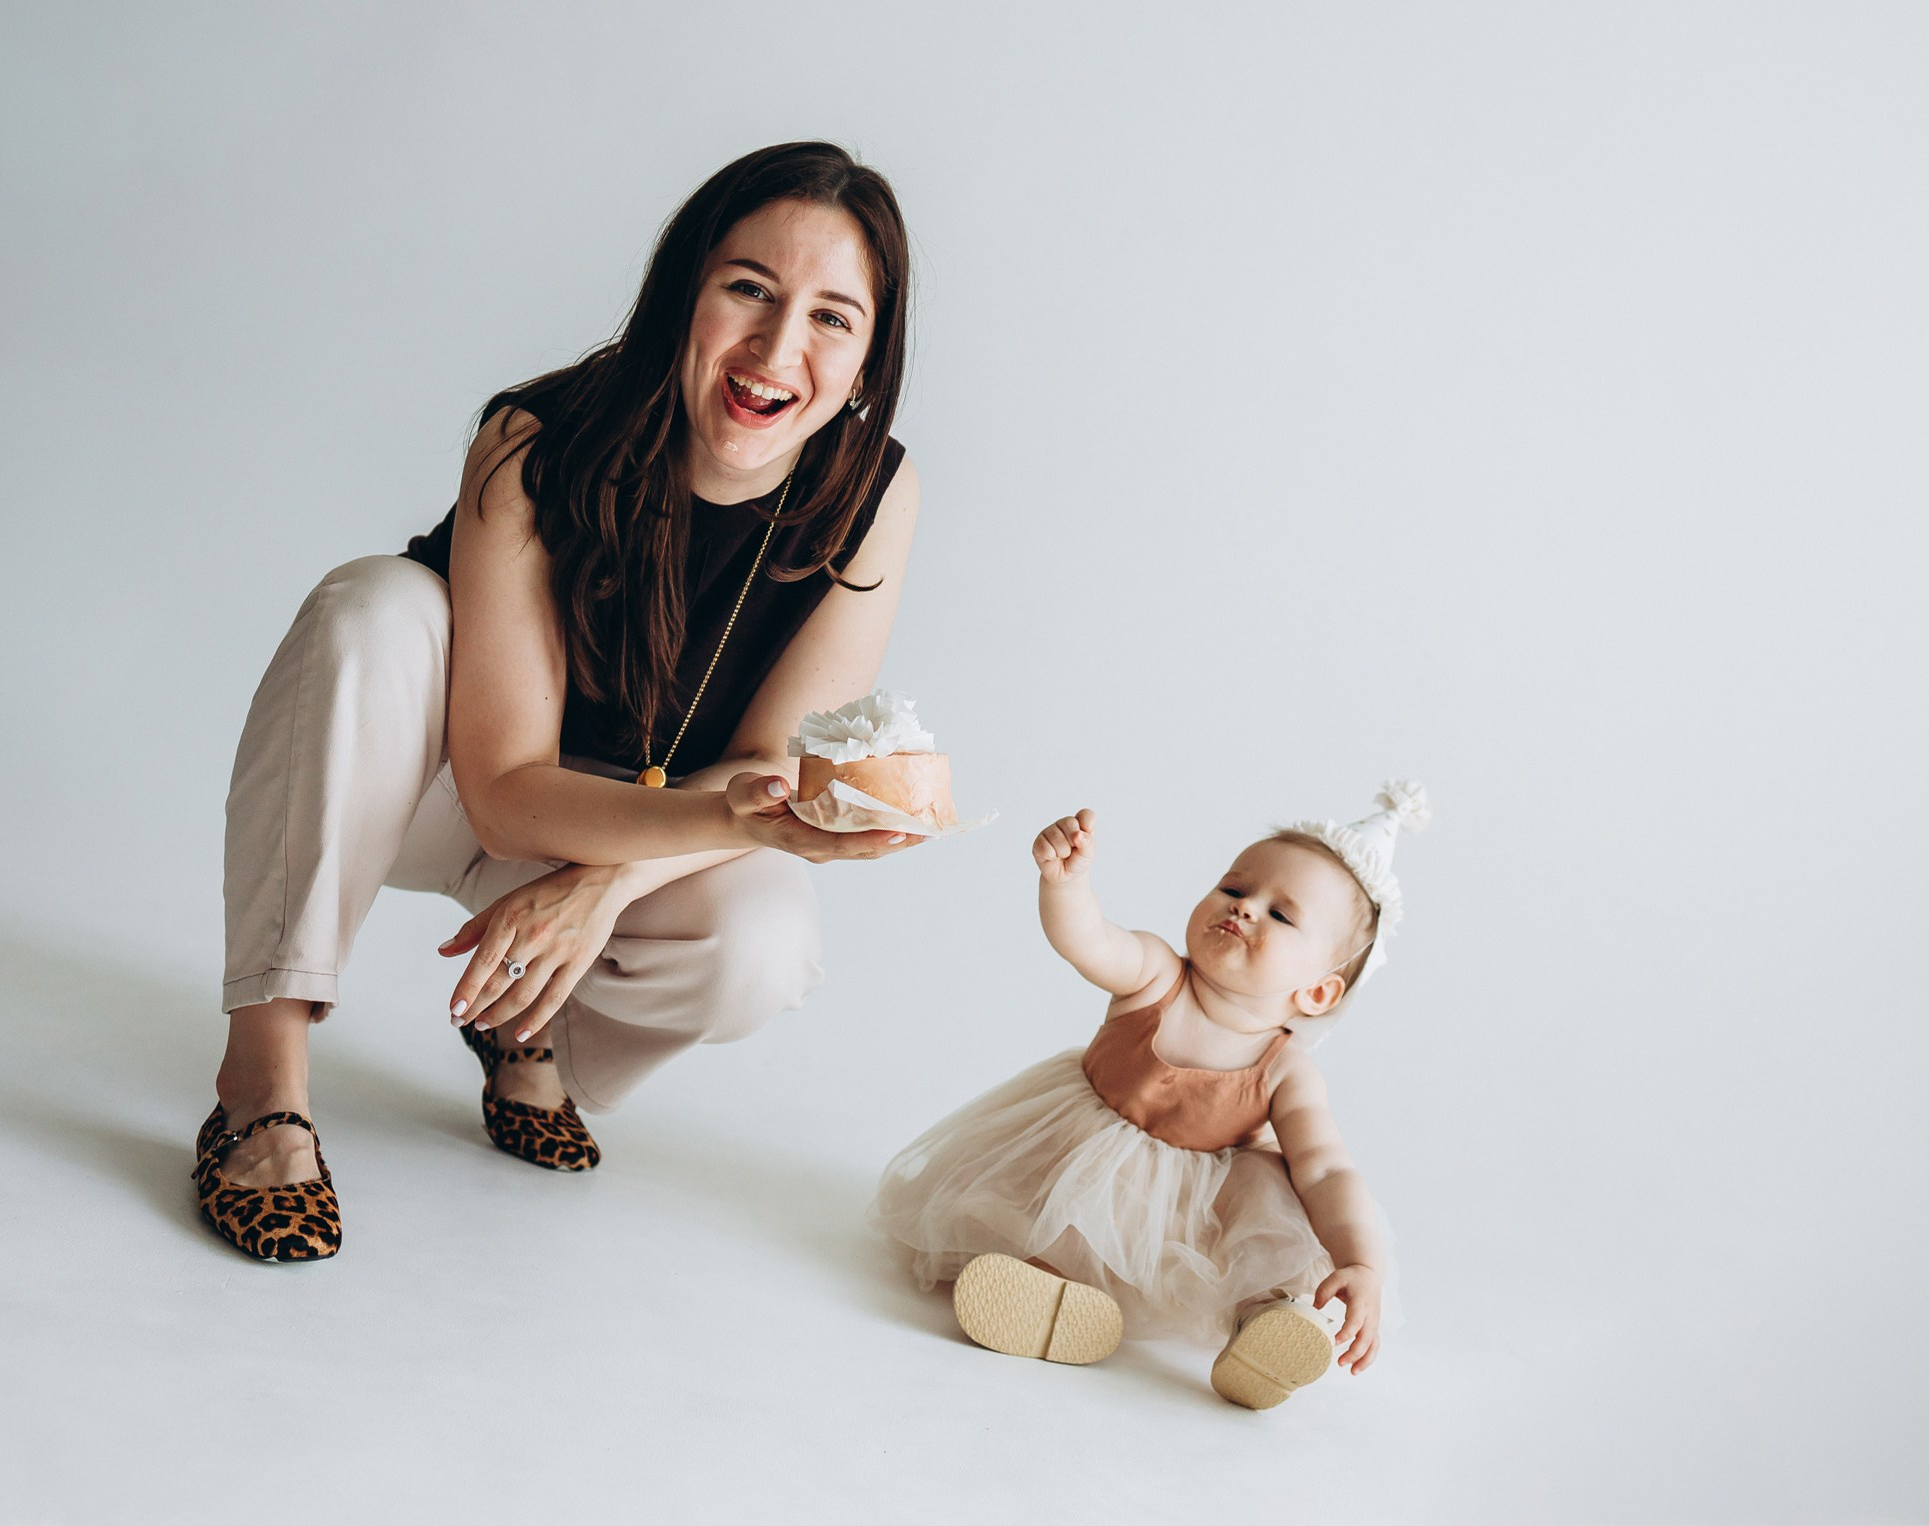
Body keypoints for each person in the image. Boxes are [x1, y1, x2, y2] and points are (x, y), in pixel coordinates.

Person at [194, 141, 924, 1263]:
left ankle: (527, 1027)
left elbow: (777, 761)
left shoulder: (872, 488)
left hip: (637, 824)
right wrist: (700, 822)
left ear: (871, 354)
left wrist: (607, 884)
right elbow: (502, 795)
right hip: (425, 787)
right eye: (749, 289)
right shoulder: (536, 438)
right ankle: (262, 1079)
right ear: (683, 292)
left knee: (765, 936)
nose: (779, 349)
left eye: (833, 317)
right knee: (377, 604)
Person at [871, 783, 1424, 1409]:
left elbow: (1325, 1170)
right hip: (1090, 1161)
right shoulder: (1156, 974)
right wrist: (1067, 885)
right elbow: (1090, 941)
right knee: (1082, 1190)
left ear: (1318, 993)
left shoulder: (1287, 1073)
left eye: (1280, 915)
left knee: (1267, 1186)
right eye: (1234, 888)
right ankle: (1046, 1286)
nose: (1245, 908)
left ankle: (1262, 1320)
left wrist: (1361, 1263)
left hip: (1197, 1218)